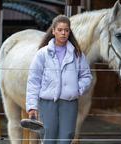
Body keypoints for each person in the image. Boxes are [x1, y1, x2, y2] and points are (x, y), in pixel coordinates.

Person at [26, 14, 92, 144]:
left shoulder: (77, 54)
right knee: (48, 135)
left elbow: (86, 76)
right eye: (60, 30)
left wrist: (77, 89)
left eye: (66, 30)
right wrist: (32, 106)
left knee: (67, 135)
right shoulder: (42, 54)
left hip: (69, 102)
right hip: (47, 102)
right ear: (53, 31)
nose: (63, 33)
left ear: (69, 32)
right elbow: (34, 81)